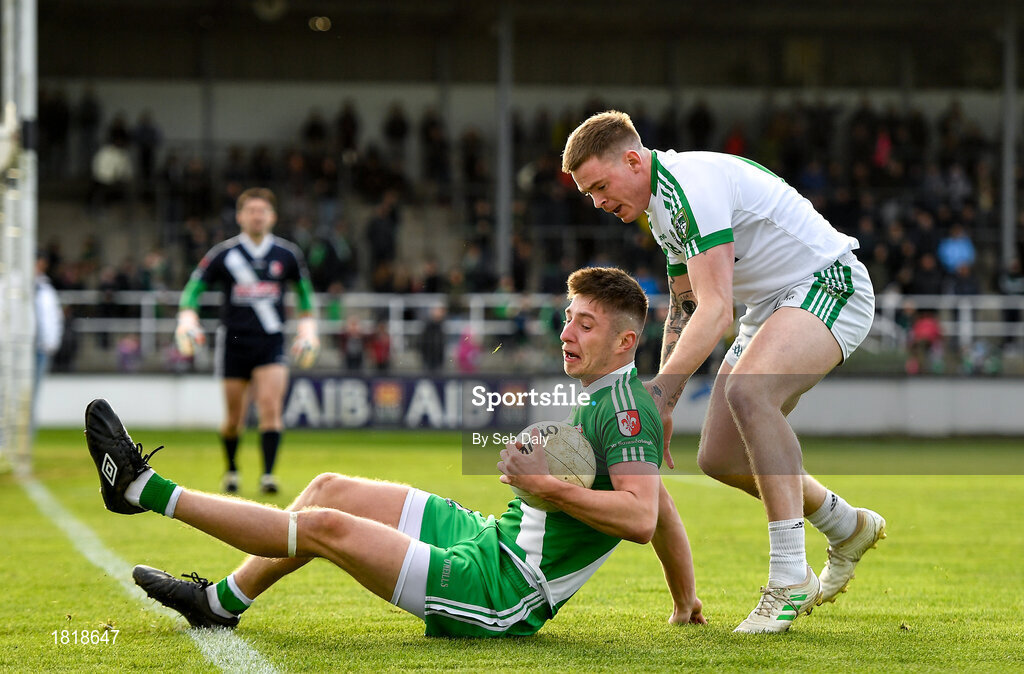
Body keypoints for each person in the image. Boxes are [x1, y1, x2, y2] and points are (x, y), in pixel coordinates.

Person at [85, 267, 704, 637]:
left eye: (586, 325)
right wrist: (685, 602)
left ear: (626, 342)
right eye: (568, 319)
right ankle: (220, 604)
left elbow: (640, 517)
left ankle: (141, 490)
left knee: (324, 527)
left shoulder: (625, 409)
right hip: (490, 540)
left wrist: (546, 486)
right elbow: (660, 503)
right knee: (329, 488)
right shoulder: (610, 396)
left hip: (501, 592)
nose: (567, 333)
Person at [562, 111, 886, 634]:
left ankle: (788, 577)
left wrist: (663, 393)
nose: (597, 202)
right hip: (773, 306)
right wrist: (664, 399)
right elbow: (685, 306)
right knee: (719, 456)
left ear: (632, 159)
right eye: (588, 194)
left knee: (748, 394)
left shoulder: (689, 187)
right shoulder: (661, 207)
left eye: (600, 186)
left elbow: (717, 311)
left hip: (829, 283)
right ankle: (844, 525)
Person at [174, 187, 320, 495]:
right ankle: (232, 469)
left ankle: (268, 474)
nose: (257, 216)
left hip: (271, 340)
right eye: (251, 211)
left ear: (272, 217)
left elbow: (304, 294)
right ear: (240, 216)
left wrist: (308, 329)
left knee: (270, 406)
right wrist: (187, 317)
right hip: (234, 342)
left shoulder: (287, 254)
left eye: (262, 211)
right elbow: (194, 289)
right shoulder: (224, 254)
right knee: (233, 418)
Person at [32, 254, 64, 437]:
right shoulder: (12, 285)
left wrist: (52, 342)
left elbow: (53, 318)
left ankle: (26, 439)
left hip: (41, 348)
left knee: (32, 396)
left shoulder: (45, 288)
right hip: (18, 349)